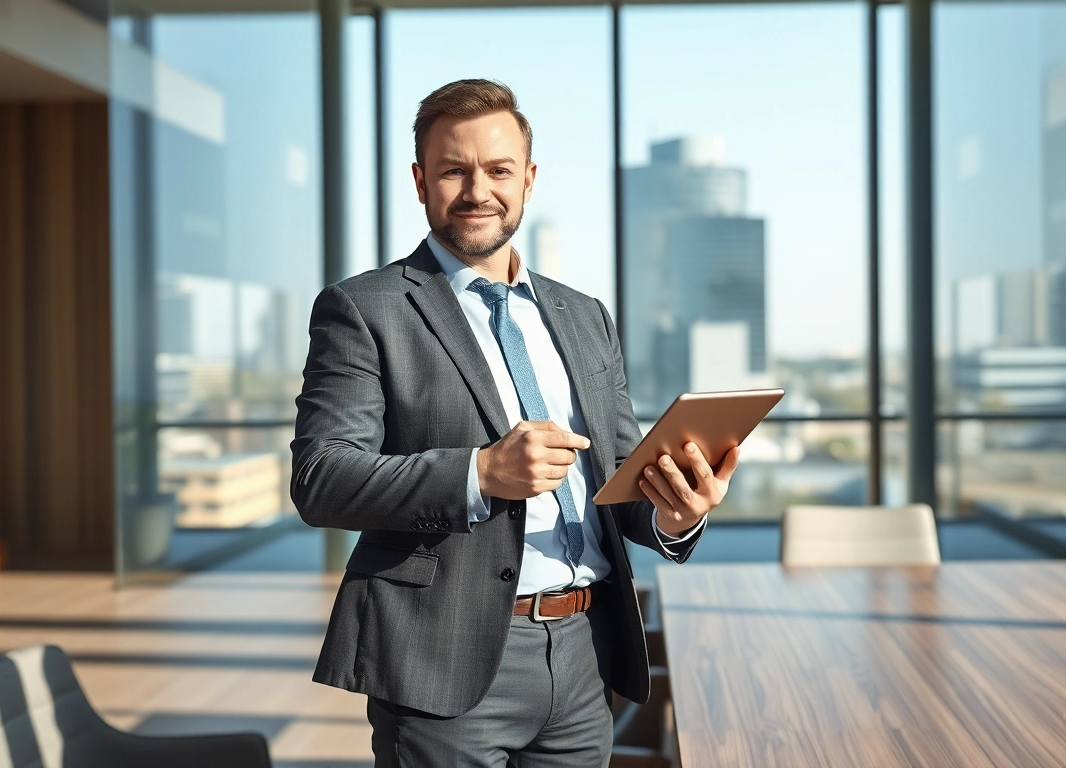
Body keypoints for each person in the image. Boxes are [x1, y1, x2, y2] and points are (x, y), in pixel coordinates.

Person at [290, 78, 740, 768]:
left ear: (528, 179)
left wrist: (676, 514)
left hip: (587, 652)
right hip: (447, 662)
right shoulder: (364, 309)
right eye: (453, 170)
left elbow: (618, 479)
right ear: (420, 181)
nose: (478, 190)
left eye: (499, 170)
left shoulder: (584, 314)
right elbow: (322, 479)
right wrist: (480, 473)